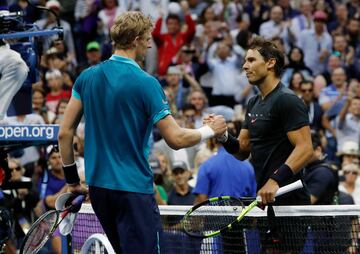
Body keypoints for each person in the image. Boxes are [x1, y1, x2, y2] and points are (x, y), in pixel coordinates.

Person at [58, 11, 227, 254]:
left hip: (99, 191)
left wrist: (72, 181)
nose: (150, 44)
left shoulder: (86, 77)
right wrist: (210, 129)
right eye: (148, 38)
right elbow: (176, 139)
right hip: (133, 190)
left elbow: (64, 133)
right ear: (136, 39)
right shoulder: (146, 82)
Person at [210, 37, 313, 253]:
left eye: (251, 60)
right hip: (266, 202)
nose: (245, 66)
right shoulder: (254, 102)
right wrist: (222, 136)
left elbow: (305, 149)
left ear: (270, 63)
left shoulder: (287, 100)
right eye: (245, 61)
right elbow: (242, 150)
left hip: (289, 205)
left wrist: (275, 181)